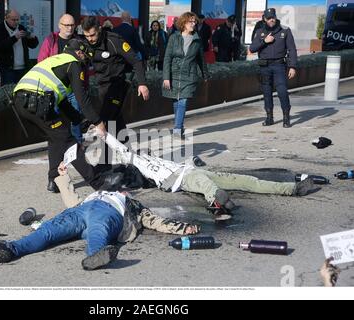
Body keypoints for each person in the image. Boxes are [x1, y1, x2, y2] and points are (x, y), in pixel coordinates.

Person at [0, 173, 200, 270]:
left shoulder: (131, 202)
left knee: (98, 233)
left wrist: (182, 228)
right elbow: (71, 198)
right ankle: (10, 250)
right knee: (48, 231)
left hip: (108, 214)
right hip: (81, 211)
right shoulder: (97, 193)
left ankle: (94, 258)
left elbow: (155, 221)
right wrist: (62, 178)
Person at [97, 132, 319, 221]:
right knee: (206, 185)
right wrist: (103, 134)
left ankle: (291, 188)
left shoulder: (146, 158)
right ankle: (217, 201)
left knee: (245, 181)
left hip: (191, 171)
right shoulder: (136, 163)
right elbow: (120, 149)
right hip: (181, 178)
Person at [12, 39, 109, 193]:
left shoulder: (56, 60)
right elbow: (81, 98)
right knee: (68, 140)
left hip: (21, 101)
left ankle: (54, 181)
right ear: (79, 53)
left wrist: (79, 119)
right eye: (85, 56)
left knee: (55, 137)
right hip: (37, 102)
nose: (85, 61)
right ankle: (98, 183)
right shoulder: (73, 63)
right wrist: (98, 122)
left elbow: (62, 101)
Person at [81, 16, 149, 148]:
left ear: (99, 29)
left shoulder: (114, 41)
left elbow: (136, 61)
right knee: (116, 122)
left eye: (92, 35)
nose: (90, 39)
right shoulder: (85, 43)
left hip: (117, 86)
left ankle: (104, 163)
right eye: (87, 36)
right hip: (102, 88)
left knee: (104, 122)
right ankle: (129, 158)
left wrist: (142, 83)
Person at [162, 12, 209, 138]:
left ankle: (177, 129)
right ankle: (180, 126)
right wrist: (166, 77)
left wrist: (205, 74)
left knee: (183, 100)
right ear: (183, 23)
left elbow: (201, 59)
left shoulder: (197, 40)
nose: (193, 24)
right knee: (176, 102)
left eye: (195, 22)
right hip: (174, 73)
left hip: (189, 75)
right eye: (191, 22)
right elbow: (167, 58)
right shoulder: (174, 38)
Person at [38, 14, 83, 143]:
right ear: (60, 25)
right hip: (55, 87)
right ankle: (58, 145)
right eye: (66, 25)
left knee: (76, 118)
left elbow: (84, 65)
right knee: (55, 119)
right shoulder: (51, 40)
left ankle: (78, 146)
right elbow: (41, 61)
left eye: (72, 25)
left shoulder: (78, 41)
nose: (70, 28)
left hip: (72, 88)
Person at [250, 8, 298, 128]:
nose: (272, 20)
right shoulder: (260, 32)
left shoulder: (285, 31)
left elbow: (292, 49)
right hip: (264, 66)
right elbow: (252, 48)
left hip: (279, 65)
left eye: (273, 17)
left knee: (282, 91)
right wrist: (264, 41)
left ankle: (286, 118)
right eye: (269, 18)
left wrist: (292, 66)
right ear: (264, 19)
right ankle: (269, 118)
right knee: (267, 93)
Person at [0, 9, 39, 85]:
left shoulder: (21, 27)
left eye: (18, 20)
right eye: (13, 20)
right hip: (8, 69)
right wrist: (14, 38)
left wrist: (32, 38)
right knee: (9, 91)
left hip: (23, 68)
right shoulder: (0, 29)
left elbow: (33, 45)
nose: (16, 22)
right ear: (6, 18)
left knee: (22, 91)